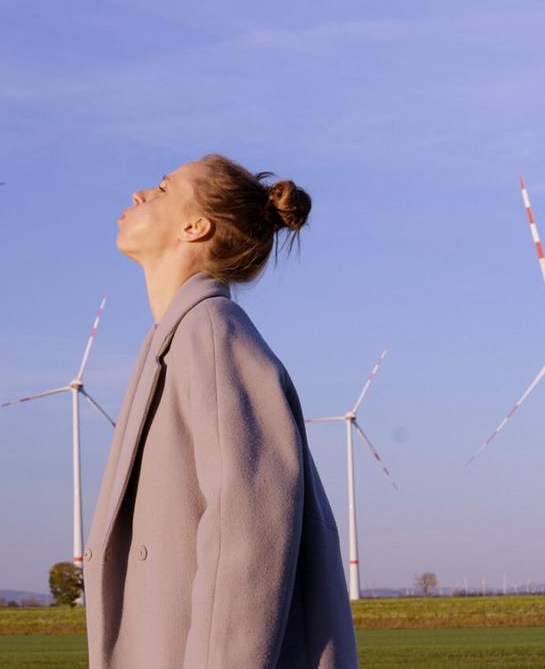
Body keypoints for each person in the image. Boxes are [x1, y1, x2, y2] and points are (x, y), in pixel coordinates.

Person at [82, 154, 358, 668]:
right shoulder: (179, 338)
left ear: (195, 226)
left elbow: (247, 527)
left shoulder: (210, 334)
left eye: (163, 188)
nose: (140, 195)